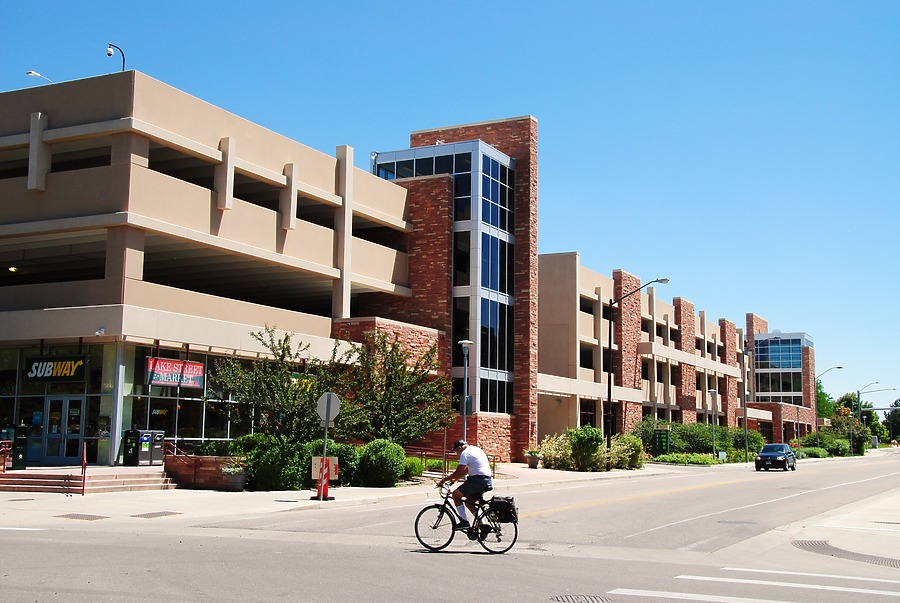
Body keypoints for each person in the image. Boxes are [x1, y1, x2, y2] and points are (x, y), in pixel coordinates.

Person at [437, 440, 493, 530]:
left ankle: (464, 522)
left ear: (459, 448)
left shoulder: (465, 453)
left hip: (477, 480)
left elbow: (459, 471)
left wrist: (444, 480)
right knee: (469, 502)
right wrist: (454, 480)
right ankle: (483, 526)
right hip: (486, 480)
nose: (457, 454)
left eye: (456, 451)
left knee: (455, 495)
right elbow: (467, 470)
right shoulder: (476, 449)